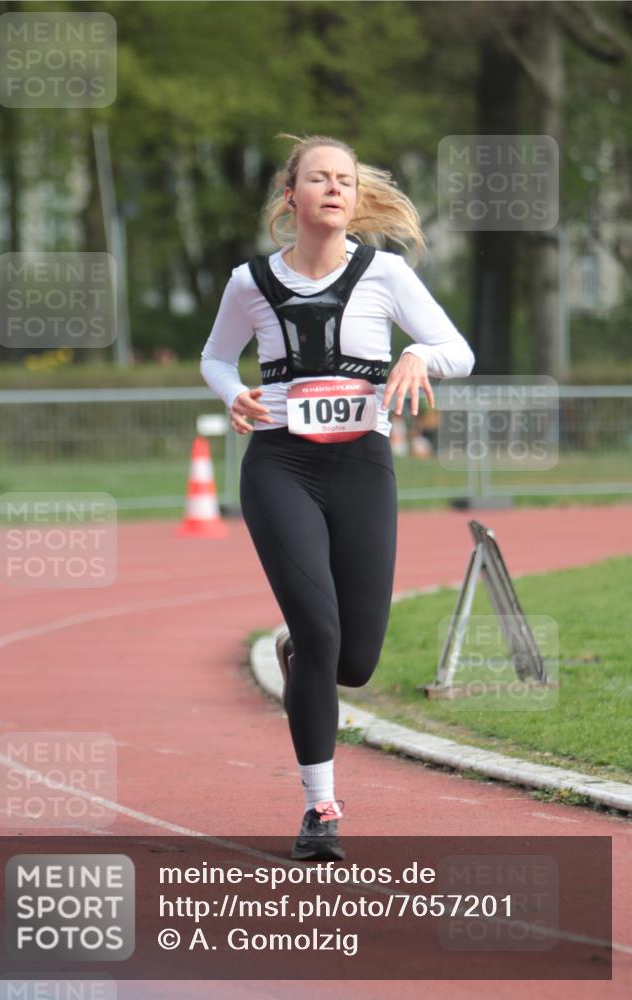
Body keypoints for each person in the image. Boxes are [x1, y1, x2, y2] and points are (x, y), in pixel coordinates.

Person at [200, 133, 475, 861]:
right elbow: (215, 355)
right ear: (289, 196)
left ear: (355, 199)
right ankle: (319, 807)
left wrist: (416, 353)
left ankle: (297, 649)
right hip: (280, 466)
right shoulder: (249, 281)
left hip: (361, 466)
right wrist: (235, 395)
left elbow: (459, 349)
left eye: (344, 181)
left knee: (353, 661)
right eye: (317, 178)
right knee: (322, 634)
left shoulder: (385, 273)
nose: (333, 189)